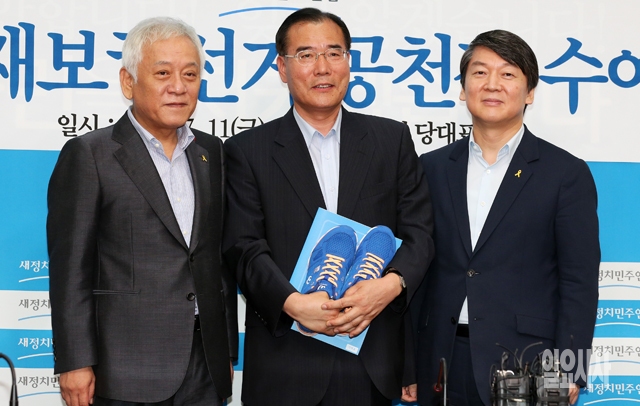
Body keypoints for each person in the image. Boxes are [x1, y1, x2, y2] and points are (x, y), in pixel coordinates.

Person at [222, 7, 433, 406]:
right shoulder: (247, 150)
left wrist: (388, 286)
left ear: (349, 63)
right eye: (306, 54)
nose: (323, 67)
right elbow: (243, 247)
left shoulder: (391, 140)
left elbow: (420, 235)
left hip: (370, 357)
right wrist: (293, 304)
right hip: (287, 362)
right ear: (282, 67)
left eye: (334, 53)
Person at [47, 17, 237, 406]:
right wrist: (75, 362)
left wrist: (226, 351)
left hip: (204, 365)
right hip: (124, 371)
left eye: (190, 74)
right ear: (128, 82)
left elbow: (214, 258)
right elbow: (70, 271)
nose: (179, 87)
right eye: (163, 73)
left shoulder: (211, 151)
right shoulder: (90, 154)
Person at [413, 29, 600, 405]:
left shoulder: (565, 173)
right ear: (463, 88)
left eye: (508, 73)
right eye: (480, 72)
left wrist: (571, 369)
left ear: (530, 92)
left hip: (529, 362)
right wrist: (407, 365)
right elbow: (418, 269)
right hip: (443, 359)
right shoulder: (430, 168)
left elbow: (578, 282)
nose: (492, 84)